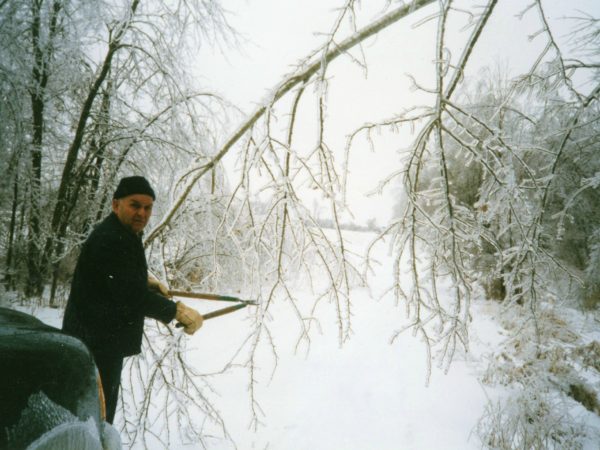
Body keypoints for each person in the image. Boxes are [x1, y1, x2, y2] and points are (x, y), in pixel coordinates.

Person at [62, 176, 203, 424]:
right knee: (97, 419)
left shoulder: (123, 232)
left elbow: (116, 276)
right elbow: (131, 297)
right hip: (94, 345)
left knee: (96, 415)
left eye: (148, 208)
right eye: (135, 205)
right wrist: (176, 311)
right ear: (116, 204)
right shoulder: (111, 238)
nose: (142, 213)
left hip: (99, 340)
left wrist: (146, 279)